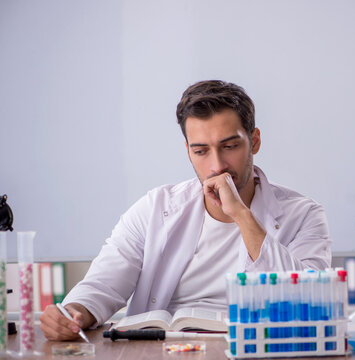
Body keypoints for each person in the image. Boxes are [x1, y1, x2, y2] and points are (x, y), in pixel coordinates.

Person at [39, 80, 332, 340]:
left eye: (229, 146)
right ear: (188, 150)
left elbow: (308, 302)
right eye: (201, 151)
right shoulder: (155, 207)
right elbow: (103, 284)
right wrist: (72, 314)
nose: (217, 166)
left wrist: (242, 215)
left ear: (254, 141)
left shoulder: (303, 215)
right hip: (162, 350)